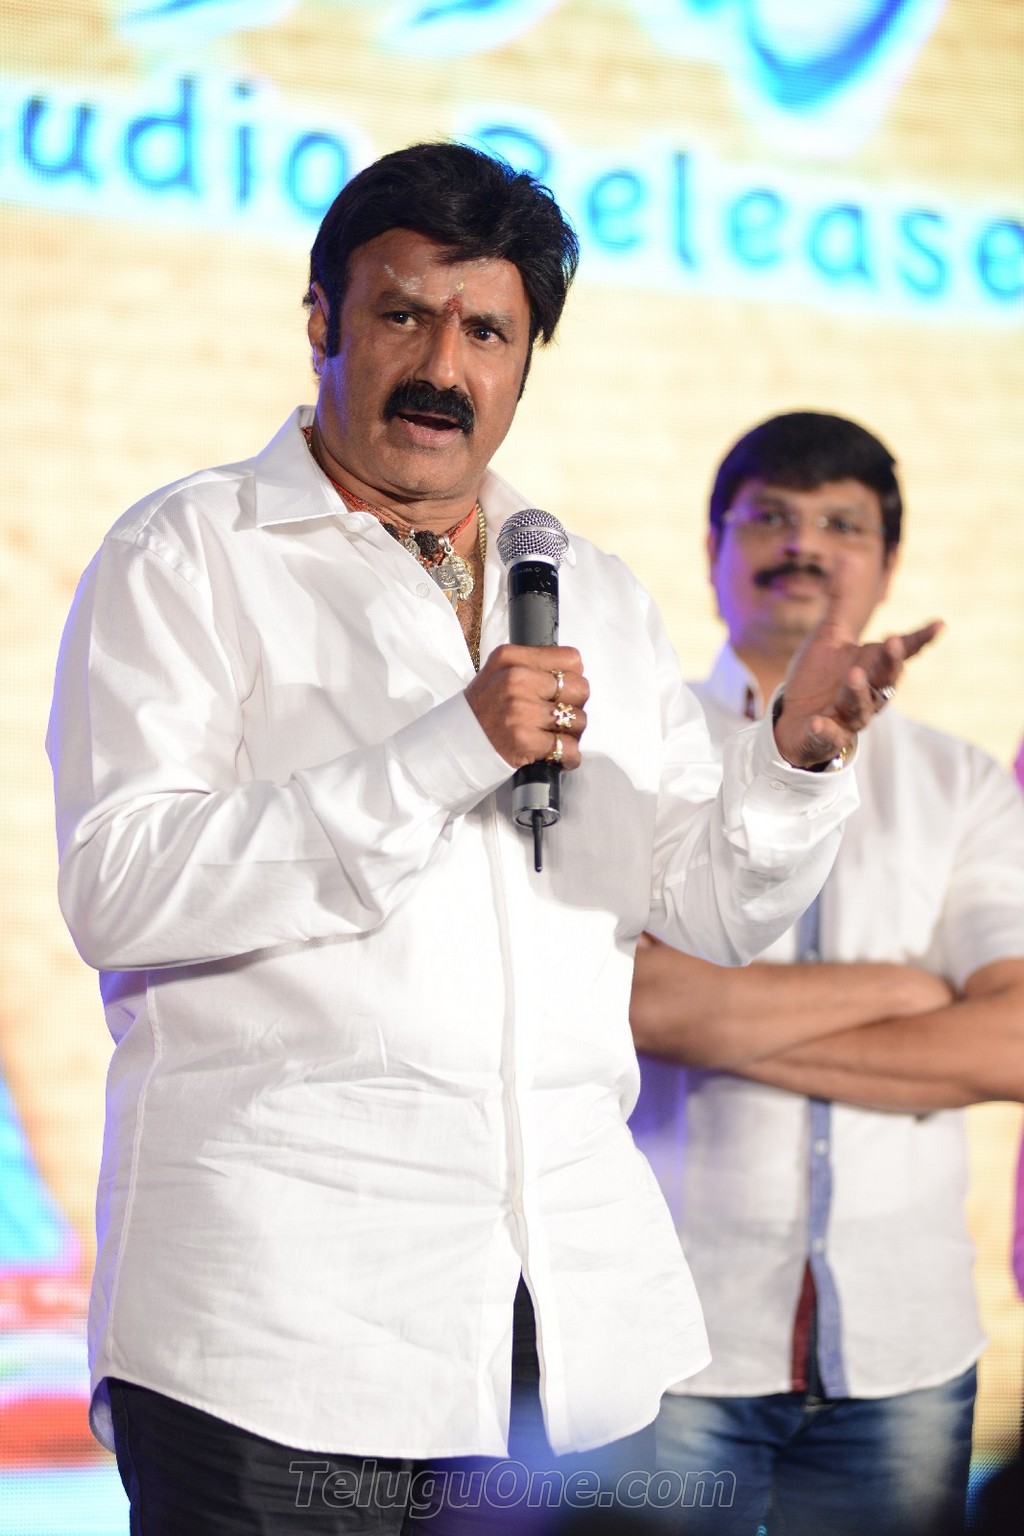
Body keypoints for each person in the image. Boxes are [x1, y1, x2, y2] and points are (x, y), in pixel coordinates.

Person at [48, 150, 933, 1535]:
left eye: (486, 333)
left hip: (562, 1330)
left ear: (526, 362)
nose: (441, 367)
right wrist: (448, 751)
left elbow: (714, 904)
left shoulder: (594, 592)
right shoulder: (190, 552)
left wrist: (793, 764)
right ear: (322, 322)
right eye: (402, 315)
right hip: (276, 1327)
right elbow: (122, 887)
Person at [630, 410, 1024, 1536]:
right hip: (672, 1339)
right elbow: (633, 1000)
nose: (803, 544)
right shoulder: (636, 752)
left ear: (889, 563)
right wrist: (906, 992)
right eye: (771, 517)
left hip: (904, 1349)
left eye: (841, 524)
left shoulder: (960, 782)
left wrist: (715, 1018)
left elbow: (1010, 1043)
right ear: (712, 547)